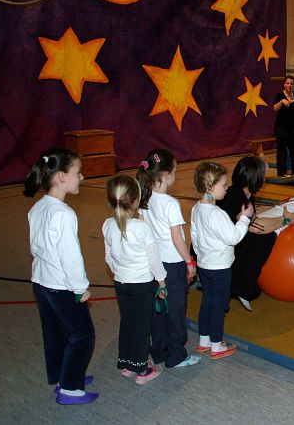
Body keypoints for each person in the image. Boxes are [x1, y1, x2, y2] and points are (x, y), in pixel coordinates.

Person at [23, 148, 97, 405]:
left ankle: (62, 376)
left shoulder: (38, 207)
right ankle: (70, 388)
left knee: (55, 333)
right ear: (61, 177)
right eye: (78, 172)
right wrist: (80, 287)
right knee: (82, 336)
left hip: (41, 283)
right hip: (62, 286)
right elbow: (70, 257)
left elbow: (35, 248)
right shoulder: (64, 214)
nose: (82, 178)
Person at [103, 175, 181, 385]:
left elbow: (109, 257)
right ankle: (142, 369)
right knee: (142, 326)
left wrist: (120, 272)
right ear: (136, 200)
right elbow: (154, 261)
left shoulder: (108, 225)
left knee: (128, 322)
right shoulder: (142, 228)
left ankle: (128, 362)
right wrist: (162, 283)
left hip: (121, 283)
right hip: (141, 285)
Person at [137, 149, 201, 368]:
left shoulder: (145, 197)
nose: (175, 175)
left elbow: (142, 229)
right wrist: (189, 262)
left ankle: (159, 351)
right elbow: (177, 238)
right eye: (174, 171)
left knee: (159, 309)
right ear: (165, 175)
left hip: (154, 264)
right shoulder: (170, 203)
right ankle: (176, 356)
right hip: (172, 265)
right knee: (176, 311)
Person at [215, 156, 294, 312]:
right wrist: (286, 219)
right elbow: (254, 227)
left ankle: (241, 284)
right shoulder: (234, 195)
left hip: (230, 244)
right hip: (219, 253)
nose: (264, 178)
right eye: (262, 174)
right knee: (266, 236)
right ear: (254, 177)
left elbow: (251, 222)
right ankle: (242, 287)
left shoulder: (246, 195)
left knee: (266, 234)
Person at [190, 162, 254, 359]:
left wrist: (200, 256)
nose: (227, 188)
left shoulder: (196, 208)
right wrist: (245, 218)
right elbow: (233, 237)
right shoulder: (217, 214)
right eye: (223, 185)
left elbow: (194, 237)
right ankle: (217, 346)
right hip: (220, 268)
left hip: (205, 265)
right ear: (210, 187)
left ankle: (204, 341)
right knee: (219, 307)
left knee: (207, 303)